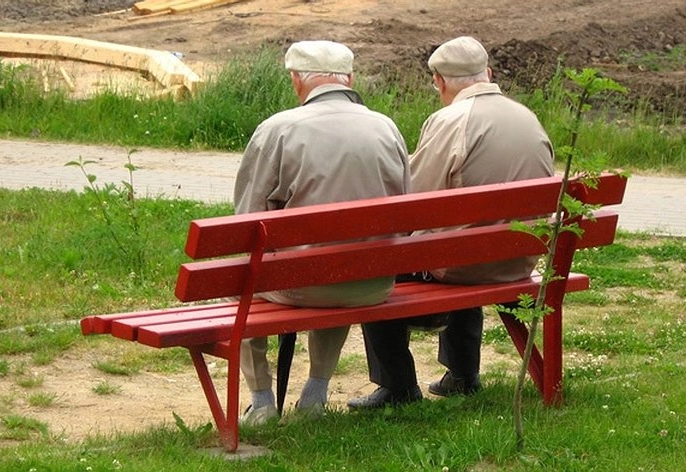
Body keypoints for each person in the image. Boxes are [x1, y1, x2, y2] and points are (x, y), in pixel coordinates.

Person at [347, 36, 555, 409]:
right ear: (488, 73)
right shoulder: (527, 117)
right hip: (521, 258)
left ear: (440, 81)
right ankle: (462, 374)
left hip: (467, 263)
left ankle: (397, 385)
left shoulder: (450, 120)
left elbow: (413, 199)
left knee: (377, 261)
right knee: (465, 239)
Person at [233, 40, 410, 424]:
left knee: (240, 274)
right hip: (371, 282)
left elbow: (245, 220)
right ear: (349, 79)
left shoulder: (278, 129)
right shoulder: (386, 127)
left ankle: (261, 402)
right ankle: (315, 394)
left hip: (303, 285)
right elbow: (405, 209)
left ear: (297, 80)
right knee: (345, 256)